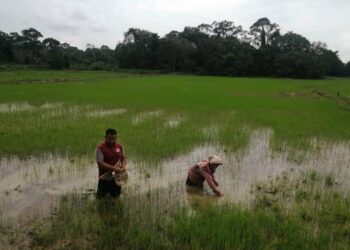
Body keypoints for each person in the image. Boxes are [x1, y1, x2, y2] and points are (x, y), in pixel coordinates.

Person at [96, 128, 127, 198]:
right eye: (110, 139)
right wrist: (114, 168)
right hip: (104, 179)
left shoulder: (120, 146)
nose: (112, 141)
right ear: (105, 137)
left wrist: (123, 166)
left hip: (117, 178)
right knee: (102, 200)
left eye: (114, 139)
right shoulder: (100, 148)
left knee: (116, 198)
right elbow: (100, 163)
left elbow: (123, 158)